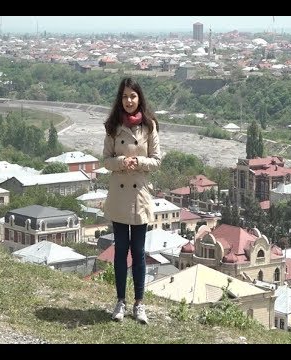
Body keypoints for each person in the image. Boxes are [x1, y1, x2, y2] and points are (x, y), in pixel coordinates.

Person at [102, 77, 161, 324]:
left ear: (139, 98)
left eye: (133, 96)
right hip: (118, 194)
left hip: (139, 195)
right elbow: (104, 160)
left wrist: (139, 162)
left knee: (138, 252)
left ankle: (139, 303)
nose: (128, 101)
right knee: (120, 252)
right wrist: (118, 163)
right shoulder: (113, 127)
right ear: (120, 98)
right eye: (125, 96)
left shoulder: (150, 126)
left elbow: (157, 160)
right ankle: (119, 301)